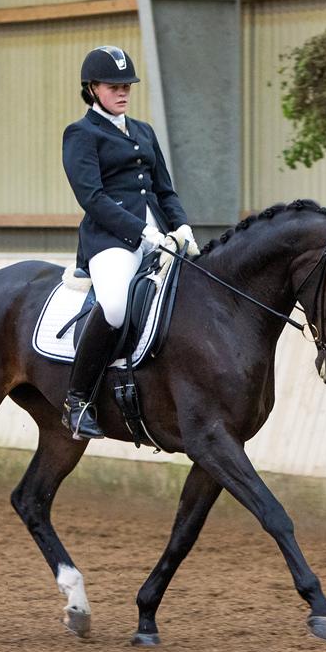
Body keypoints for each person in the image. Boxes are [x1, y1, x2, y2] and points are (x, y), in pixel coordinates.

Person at [60, 45, 196, 440]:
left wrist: (182, 226)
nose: (123, 92)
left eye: (127, 86)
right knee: (116, 306)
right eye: (114, 86)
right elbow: (92, 198)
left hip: (160, 236)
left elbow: (164, 190)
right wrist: (141, 231)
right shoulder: (81, 134)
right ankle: (77, 400)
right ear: (92, 88)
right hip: (110, 241)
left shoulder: (143, 131)